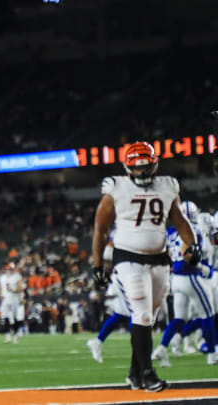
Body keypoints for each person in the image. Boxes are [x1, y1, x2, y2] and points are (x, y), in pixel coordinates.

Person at [92, 141, 201, 392]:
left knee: (148, 319)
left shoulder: (167, 185)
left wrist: (191, 244)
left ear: (154, 164)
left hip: (159, 259)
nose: (141, 172)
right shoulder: (116, 187)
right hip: (127, 259)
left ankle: (133, 373)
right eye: (136, 167)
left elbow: (178, 218)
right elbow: (100, 228)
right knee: (141, 314)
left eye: (145, 166)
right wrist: (98, 263)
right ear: (127, 167)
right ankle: (148, 374)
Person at [151, 201, 216, 367]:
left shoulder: (171, 231)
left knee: (180, 317)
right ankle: (212, 353)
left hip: (176, 278)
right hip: (190, 275)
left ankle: (161, 347)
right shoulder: (191, 229)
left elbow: (167, 253)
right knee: (208, 314)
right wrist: (202, 267)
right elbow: (186, 253)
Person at [0, 263, 24, 344]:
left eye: (11, 269)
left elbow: (20, 288)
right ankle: (8, 336)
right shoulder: (2, 277)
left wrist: (13, 290)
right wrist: (1, 294)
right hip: (5, 299)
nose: (10, 270)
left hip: (14, 299)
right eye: (8, 269)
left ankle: (16, 335)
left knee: (15, 318)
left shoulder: (17, 276)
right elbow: (1, 287)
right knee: (5, 318)